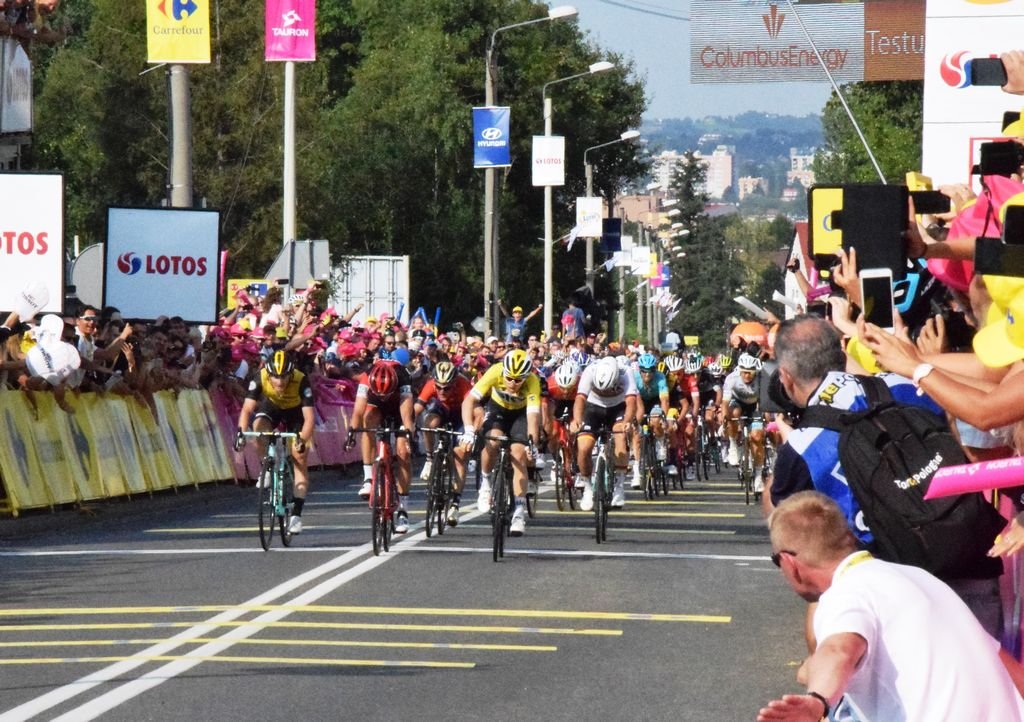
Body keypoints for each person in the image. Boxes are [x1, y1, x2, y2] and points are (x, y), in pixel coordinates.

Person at [772, 314, 1004, 635]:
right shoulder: (911, 385)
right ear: (843, 352)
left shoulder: (799, 448)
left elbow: (791, 534)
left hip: (892, 598)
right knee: (988, 681)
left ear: (785, 378)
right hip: (970, 565)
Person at [758, 491, 1024, 722]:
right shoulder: (919, 578)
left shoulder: (845, 594)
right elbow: (1000, 660)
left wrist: (817, 701)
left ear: (789, 562)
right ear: (848, 536)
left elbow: (839, 649)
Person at [461, 348, 541, 536]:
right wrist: (468, 429)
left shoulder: (532, 382)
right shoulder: (495, 371)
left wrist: (532, 443)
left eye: (517, 380)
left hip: (520, 414)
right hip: (497, 410)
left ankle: (519, 513)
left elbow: (533, 417)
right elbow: (469, 401)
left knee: (519, 454)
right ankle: (486, 482)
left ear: (526, 376)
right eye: (509, 378)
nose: (512, 383)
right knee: (493, 440)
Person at [236, 350, 316, 534]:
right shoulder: (260, 377)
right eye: (275, 378)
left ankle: (296, 516)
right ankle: (267, 466)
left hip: (296, 412)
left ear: (290, 374)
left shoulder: (301, 379)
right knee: (258, 428)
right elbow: (247, 409)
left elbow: (309, 418)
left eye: (284, 377)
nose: (279, 382)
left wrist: (301, 440)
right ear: (269, 373)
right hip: (272, 407)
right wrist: (240, 432)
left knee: (300, 458)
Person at [350, 358, 417, 534]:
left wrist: (409, 433)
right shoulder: (367, 377)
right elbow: (358, 410)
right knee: (367, 420)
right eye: (380, 393)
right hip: (376, 406)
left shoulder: (402, 376)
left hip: (399, 406)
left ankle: (403, 509)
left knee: (403, 451)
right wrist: (351, 431)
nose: (383, 396)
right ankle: (368, 479)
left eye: (385, 393)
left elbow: (407, 413)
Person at [572, 356, 638, 510]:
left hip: (618, 407)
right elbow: (580, 399)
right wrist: (577, 420)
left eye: (608, 388)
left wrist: (627, 421)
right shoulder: (590, 370)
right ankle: (587, 487)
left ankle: (619, 486)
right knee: (583, 448)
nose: (605, 391)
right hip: (593, 407)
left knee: (620, 436)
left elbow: (631, 402)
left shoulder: (626, 373)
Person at [414, 360, 473, 526]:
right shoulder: (430, 384)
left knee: (459, 456)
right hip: (440, 410)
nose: (442, 391)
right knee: (429, 423)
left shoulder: (463, 384)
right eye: (438, 387)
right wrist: (408, 423)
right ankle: (430, 459)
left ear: (454, 383)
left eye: (446, 388)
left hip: (460, 414)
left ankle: (455, 503)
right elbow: (418, 407)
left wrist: (471, 431)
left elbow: (474, 409)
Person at [721, 351, 767, 496]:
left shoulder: (761, 378)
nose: (747, 376)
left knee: (757, 438)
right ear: (740, 370)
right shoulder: (732, 378)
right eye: (745, 372)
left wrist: (765, 417)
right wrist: (724, 417)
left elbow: (764, 402)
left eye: (750, 373)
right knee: (733, 414)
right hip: (737, 403)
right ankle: (733, 445)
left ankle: (759, 477)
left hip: (755, 407)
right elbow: (725, 402)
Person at [630, 352, 670, 489]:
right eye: (644, 372)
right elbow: (635, 404)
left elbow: (664, 399)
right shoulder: (634, 378)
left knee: (655, 420)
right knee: (636, 433)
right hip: (639, 402)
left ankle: (659, 442)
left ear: (655, 370)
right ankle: (637, 470)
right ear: (639, 370)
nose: (647, 375)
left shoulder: (660, 378)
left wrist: (663, 417)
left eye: (650, 371)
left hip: (654, 402)